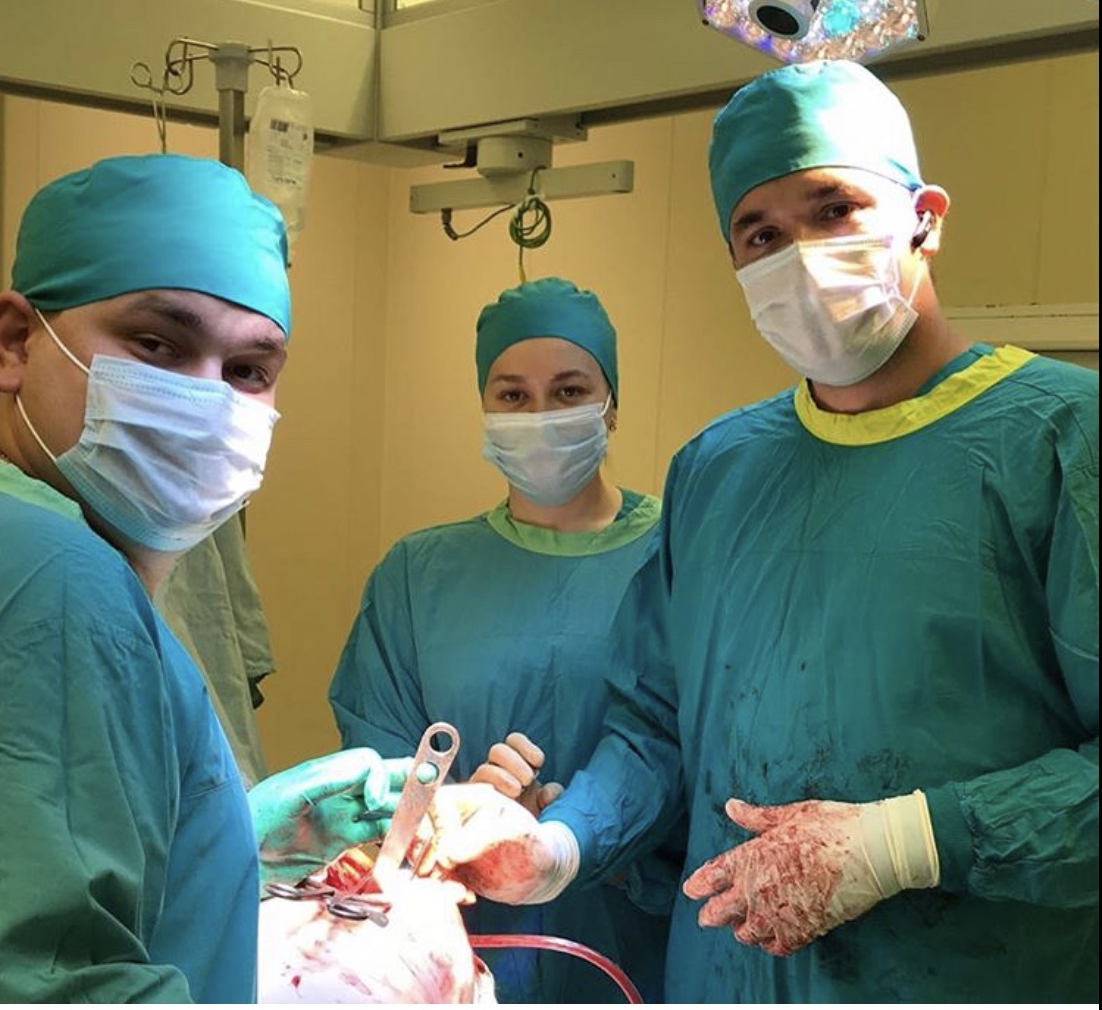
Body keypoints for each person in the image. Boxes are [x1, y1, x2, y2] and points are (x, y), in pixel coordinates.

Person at [423, 60, 1099, 1003]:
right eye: (763, 233)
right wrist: (557, 846)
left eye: (834, 210)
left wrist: (909, 841)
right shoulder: (719, 470)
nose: (801, 254)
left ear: (925, 218)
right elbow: (654, 727)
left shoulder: (1063, 442)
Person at [0, 154, 417, 1002]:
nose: (206, 402)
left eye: (247, 371)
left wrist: (225, 837)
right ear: (14, 341)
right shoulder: (62, 579)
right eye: (157, 344)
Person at [329, 276, 682, 1003]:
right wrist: (466, 811)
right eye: (513, 395)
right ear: (486, 408)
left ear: (612, 405)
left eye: (569, 390)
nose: (540, 415)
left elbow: (708, 761)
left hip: (645, 949)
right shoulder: (418, 576)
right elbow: (380, 791)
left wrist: (587, 837)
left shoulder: (677, 557)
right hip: (460, 953)